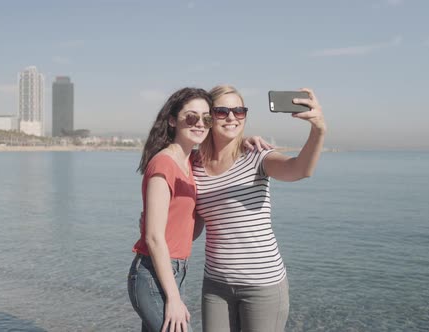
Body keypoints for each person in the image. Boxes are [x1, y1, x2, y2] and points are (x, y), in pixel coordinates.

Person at [192, 85, 326, 332]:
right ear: (210, 116)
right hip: (215, 285)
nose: (231, 117)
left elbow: (300, 169)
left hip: (262, 286)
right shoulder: (195, 163)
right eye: (222, 111)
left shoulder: (257, 155)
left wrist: (318, 130)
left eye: (239, 111)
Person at [128, 87, 214, 332]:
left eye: (206, 118)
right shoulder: (164, 164)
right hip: (153, 273)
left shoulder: (190, 162)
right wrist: (174, 299)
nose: (200, 123)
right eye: (191, 117)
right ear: (172, 120)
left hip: (176, 269)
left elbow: (188, 231)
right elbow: (154, 238)